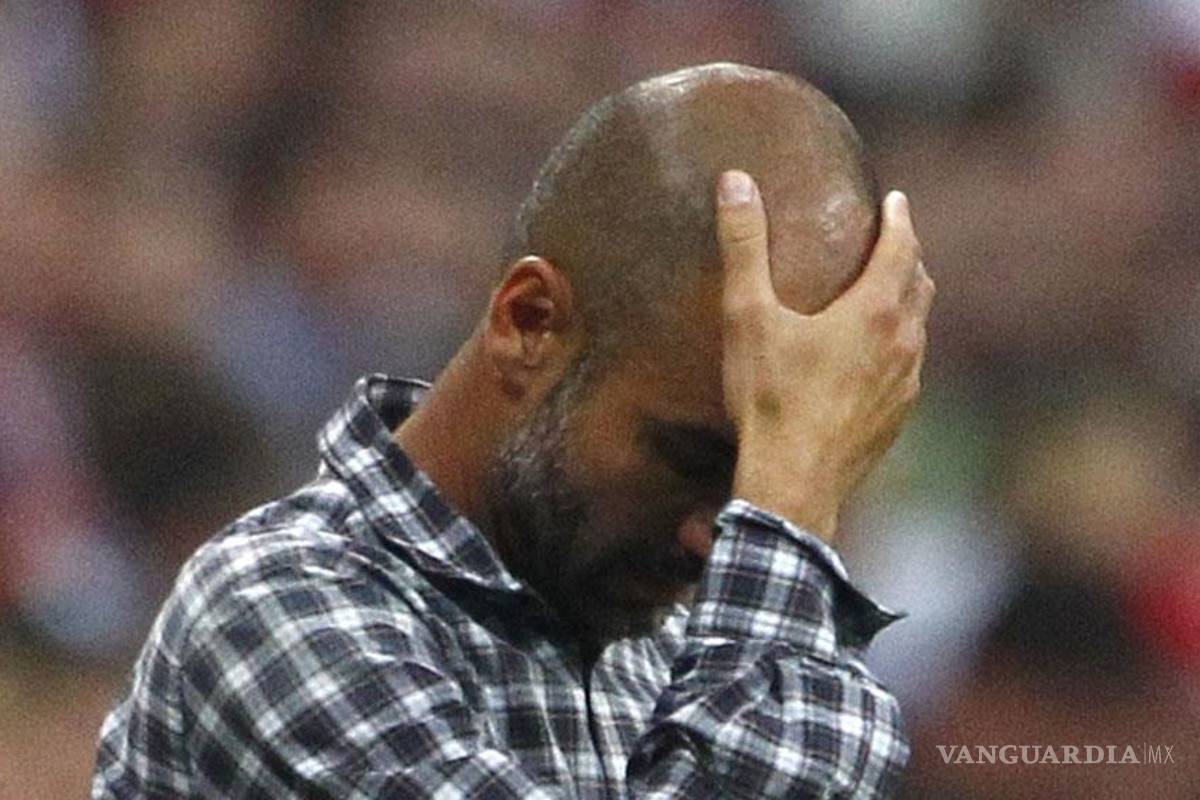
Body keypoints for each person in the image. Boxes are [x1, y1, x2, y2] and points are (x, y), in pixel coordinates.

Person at [93, 62, 933, 799]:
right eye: (690, 456)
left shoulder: (686, 652)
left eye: (761, 479)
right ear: (529, 323)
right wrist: (789, 509)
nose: (717, 541)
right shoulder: (282, 611)